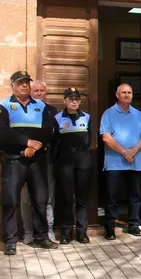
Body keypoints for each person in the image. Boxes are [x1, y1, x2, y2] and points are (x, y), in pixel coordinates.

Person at [0, 71, 57, 255]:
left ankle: (41, 237)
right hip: (14, 160)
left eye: (26, 83)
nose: (24, 86)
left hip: (37, 160)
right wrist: (26, 142)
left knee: (40, 199)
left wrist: (35, 147)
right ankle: (10, 240)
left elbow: (50, 128)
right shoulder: (4, 105)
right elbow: (3, 131)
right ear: (13, 86)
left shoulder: (40, 106)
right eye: (20, 83)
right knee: (10, 200)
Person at [101, 83, 141, 239]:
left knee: (135, 196)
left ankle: (133, 224)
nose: (127, 95)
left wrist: (133, 152)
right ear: (117, 94)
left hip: (134, 163)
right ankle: (110, 227)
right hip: (114, 163)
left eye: (130, 92)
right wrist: (124, 152)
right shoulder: (108, 114)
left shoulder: (138, 114)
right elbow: (106, 137)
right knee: (111, 197)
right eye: (124, 92)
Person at [54, 87, 94, 244]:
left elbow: (89, 139)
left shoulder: (87, 117)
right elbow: (54, 140)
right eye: (71, 99)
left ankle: (82, 232)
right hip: (65, 162)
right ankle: (66, 232)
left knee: (82, 198)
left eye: (77, 99)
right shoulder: (57, 118)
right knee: (66, 198)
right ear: (64, 101)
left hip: (82, 160)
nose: (74, 101)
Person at [20, 79, 57, 244]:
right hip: (24, 159)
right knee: (26, 199)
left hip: (46, 159)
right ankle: (28, 232)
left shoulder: (51, 111)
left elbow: (54, 135)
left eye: (42, 90)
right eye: (36, 91)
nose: (39, 93)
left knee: (48, 198)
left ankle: (48, 231)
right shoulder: (21, 109)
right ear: (30, 92)